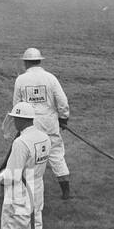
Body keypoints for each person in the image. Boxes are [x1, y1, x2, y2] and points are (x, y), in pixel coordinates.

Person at [0, 101, 51, 229]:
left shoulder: (21, 142)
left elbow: (11, 175)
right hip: (36, 191)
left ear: (20, 120)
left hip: (19, 195)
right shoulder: (44, 137)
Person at [12, 47, 72, 198]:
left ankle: (26, 191)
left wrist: (18, 125)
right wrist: (63, 118)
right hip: (49, 123)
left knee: (29, 156)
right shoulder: (50, 78)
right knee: (56, 154)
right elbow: (62, 101)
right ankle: (66, 192)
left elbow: (17, 105)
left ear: (26, 62)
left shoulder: (21, 80)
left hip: (29, 125)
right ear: (39, 61)